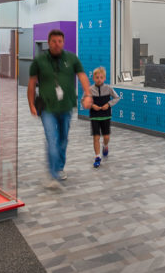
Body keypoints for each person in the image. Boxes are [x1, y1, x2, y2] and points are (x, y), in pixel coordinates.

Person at [28, 29, 92, 187]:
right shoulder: (39, 60)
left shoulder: (71, 58)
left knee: (63, 139)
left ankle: (60, 167)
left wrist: (88, 94)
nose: (57, 44)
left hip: (66, 106)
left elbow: (82, 75)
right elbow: (31, 83)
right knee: (52, 139)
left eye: (60, 41)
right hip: (47, 107)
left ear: (63, 42)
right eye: (54, 41)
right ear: (48, 42)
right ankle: (52, 173)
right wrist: (31, 104)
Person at [89, 66, 120, 168]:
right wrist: (92, 105)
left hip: (106, 116)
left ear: (104, 78)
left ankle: (105, 146)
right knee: (96, 137)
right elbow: (84, 101)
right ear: (93, 78)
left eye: (101, 77)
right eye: (97, 77)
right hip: (94, 117)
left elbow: (117, 97)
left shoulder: (108, 88)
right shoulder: (90, 89)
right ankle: (97, 157)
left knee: (106, 137)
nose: (99, 79)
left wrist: (108, 104)